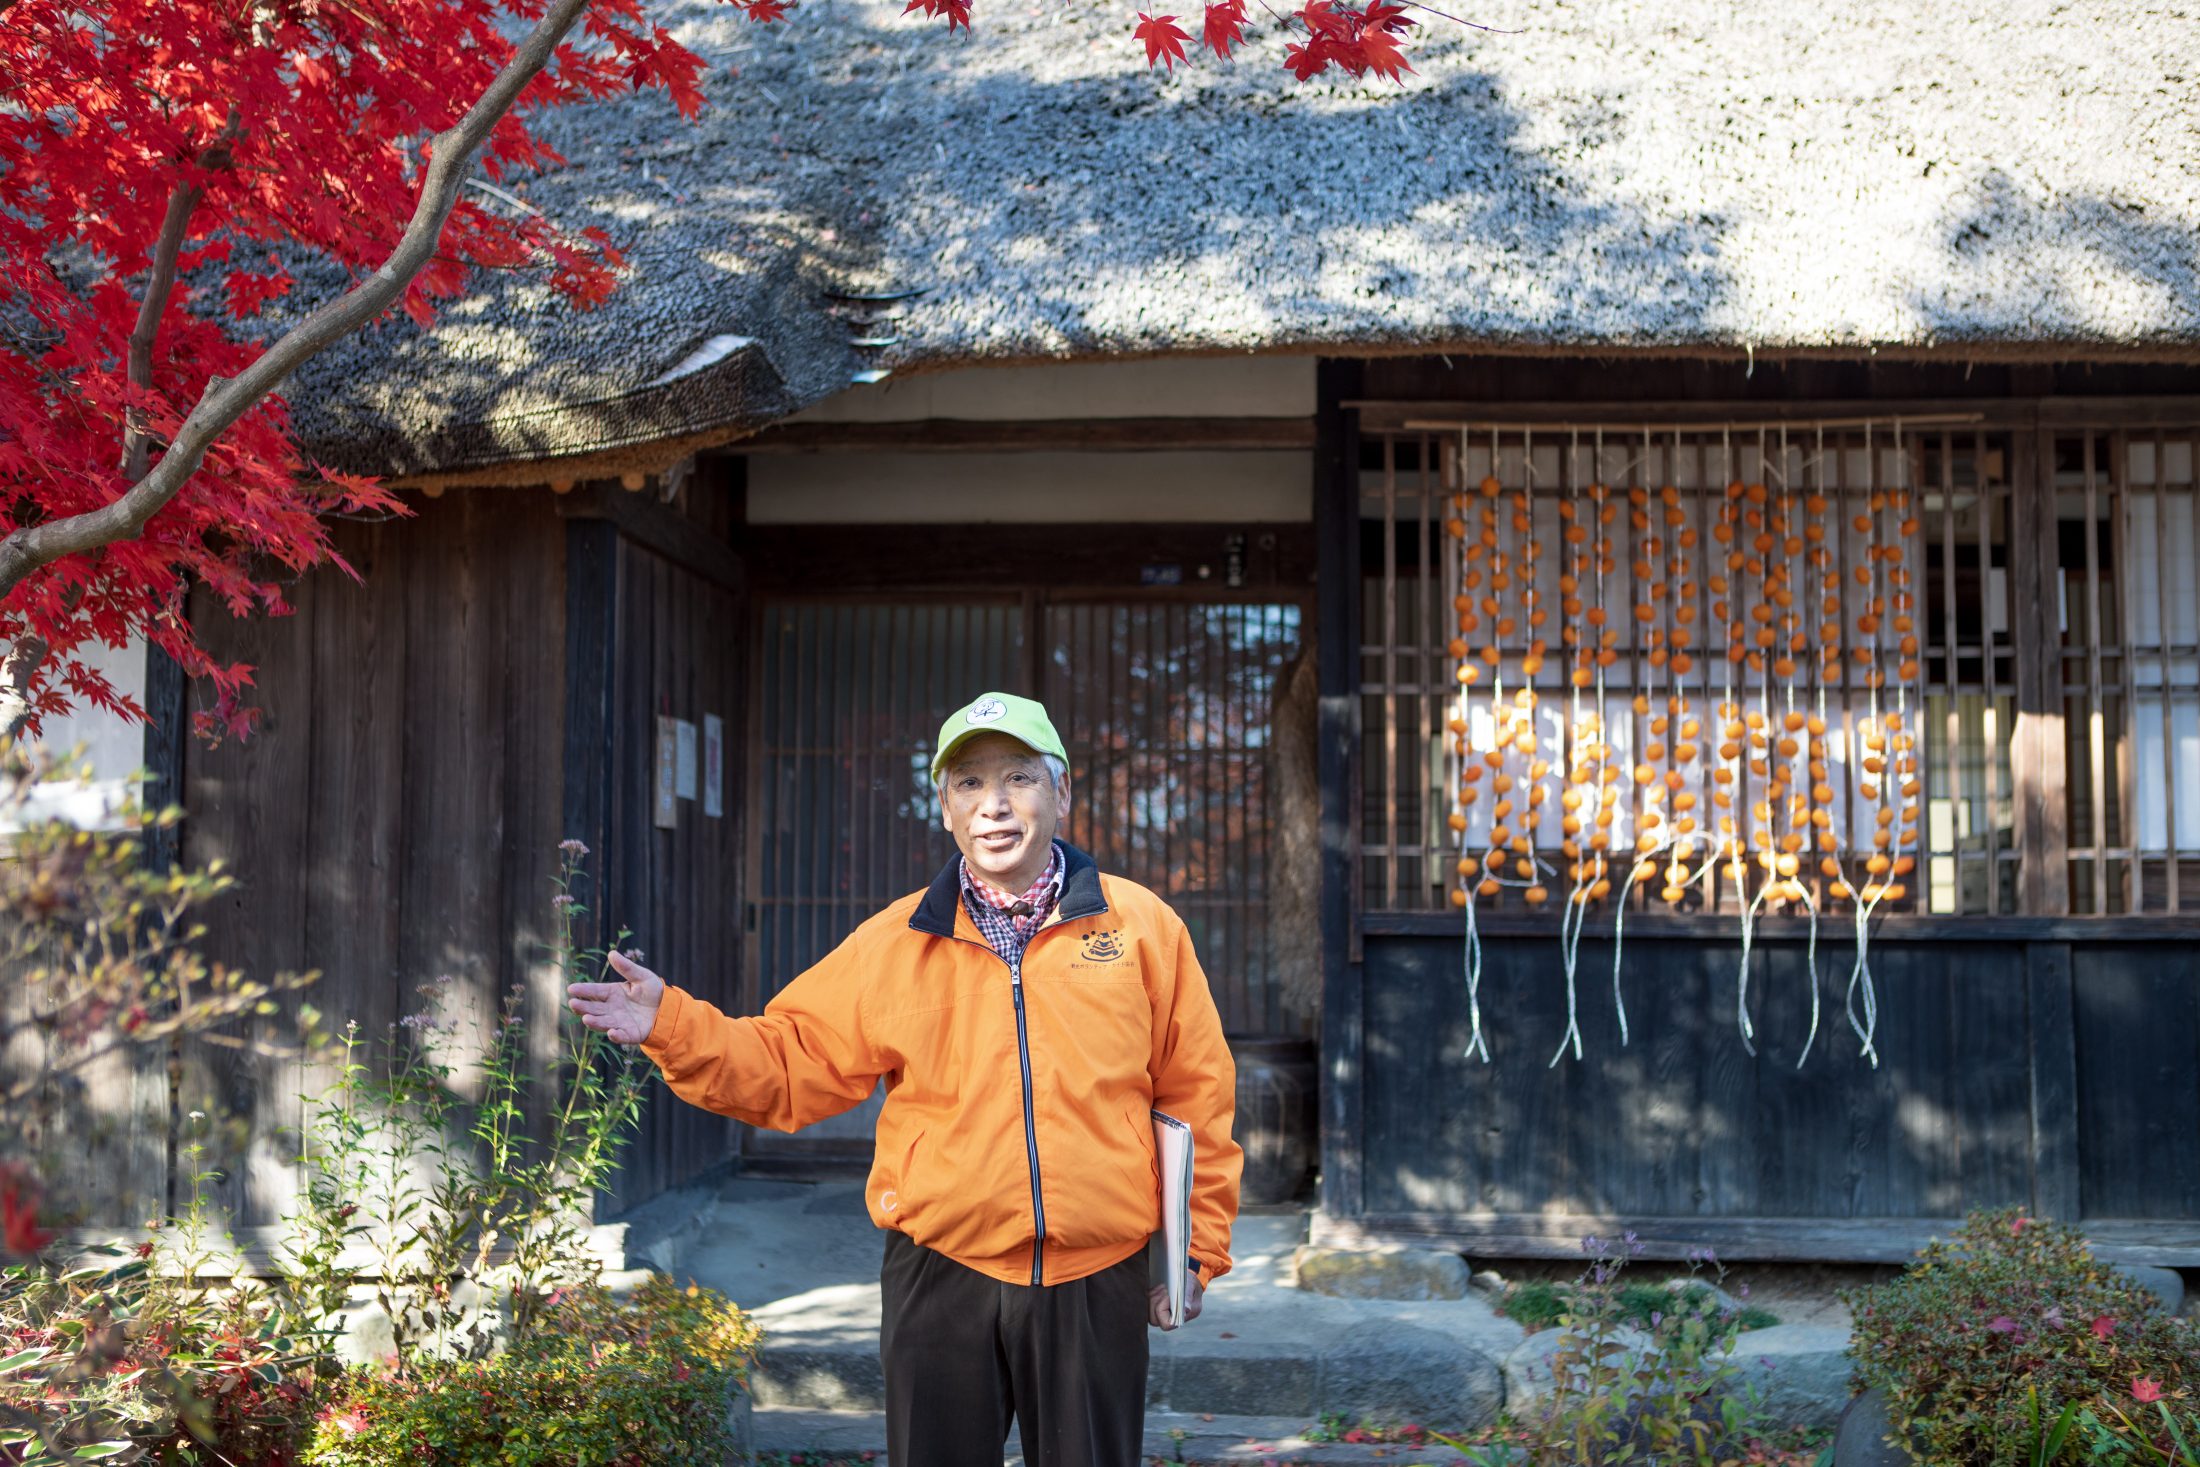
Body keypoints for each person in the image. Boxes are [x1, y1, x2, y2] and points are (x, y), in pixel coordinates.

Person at [567, 691, 1243, 1467]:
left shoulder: (1141, 929)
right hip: (939, 1270)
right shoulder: (894, 942)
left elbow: (1196, 1094)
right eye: (968, 784)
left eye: (1019, 777)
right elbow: (792, 1062)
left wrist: (1190, 1248)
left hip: (1095, 1274)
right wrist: (670, 1023)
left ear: (1061, 793)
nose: (994, 805)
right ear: (946, 811)